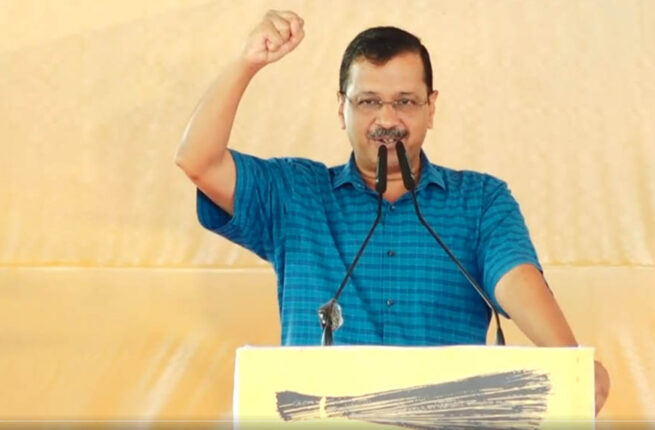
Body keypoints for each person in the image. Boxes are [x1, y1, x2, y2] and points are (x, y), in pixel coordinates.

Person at [175, 10, 610, 415]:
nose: (387, 119)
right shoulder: (294, 194)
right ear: (341, 107)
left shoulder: (481, 200)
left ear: (430, 107)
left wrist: (571, 363)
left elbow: (515, 279)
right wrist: (247, 62)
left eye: (405, 101)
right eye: (368, 102)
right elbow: (199, 161)